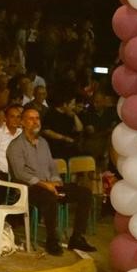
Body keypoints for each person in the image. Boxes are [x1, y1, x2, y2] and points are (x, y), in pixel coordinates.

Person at [7, 108, 93, 257]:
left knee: (84, 193)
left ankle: (77, 238)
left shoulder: (43, 143)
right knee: (49, 197)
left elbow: (52, 166)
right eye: (31, 119)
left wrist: (55, 180)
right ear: (22, 123)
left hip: (49, 185)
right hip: (28, 189)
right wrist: (45, 184)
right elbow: (20, 173)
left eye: (37, 118)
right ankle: (52, 240)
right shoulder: (15, 146)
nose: (35, 122)